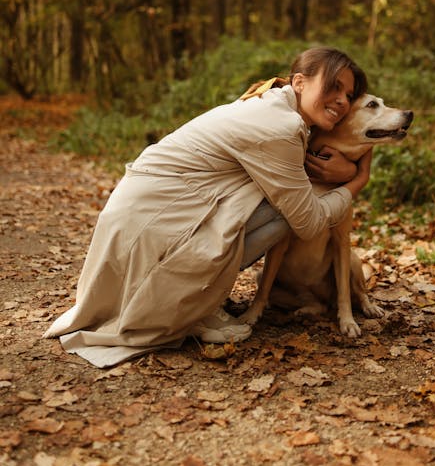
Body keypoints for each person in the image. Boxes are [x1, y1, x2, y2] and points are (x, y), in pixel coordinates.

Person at [44, 47, 372, 367]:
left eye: (349, 94)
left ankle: (199, 294)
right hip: (154, 226)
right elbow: (309, 221)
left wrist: (342, 169)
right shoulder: (282, 128)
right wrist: (359, 178)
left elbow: (296, 171)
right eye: (333, 87)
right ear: (299, 82)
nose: (342, 101)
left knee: (283, 199)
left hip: (142, 216)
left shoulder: (269, 103)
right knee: (287, 210)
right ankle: (192, 304)